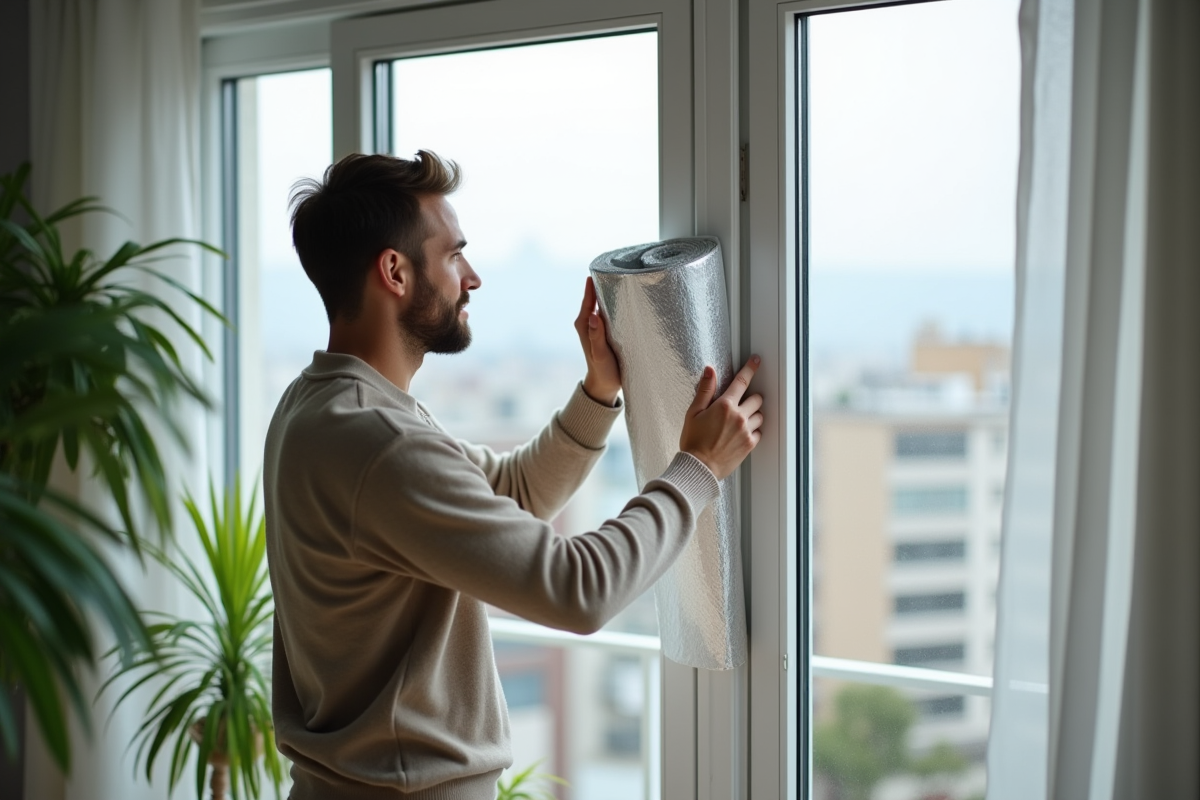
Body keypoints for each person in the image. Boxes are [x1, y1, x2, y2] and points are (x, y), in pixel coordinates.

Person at [264, 150, 764, 800]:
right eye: (453, 255)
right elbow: (576, 590)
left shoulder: (321, 405)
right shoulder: (375, 442)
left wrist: (598, 391)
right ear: (394, 271)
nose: (471, 278)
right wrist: (698, 469)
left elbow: (512, 494)